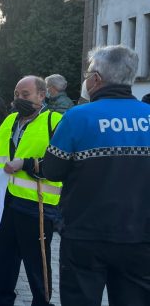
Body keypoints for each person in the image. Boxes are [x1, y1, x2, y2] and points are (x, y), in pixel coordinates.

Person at [42, 46, 150, 305]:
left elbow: (52, 171)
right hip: (141, 237)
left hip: (85, 236)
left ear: (97, 79)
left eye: (88, 73)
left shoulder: (77, 117)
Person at [0, 76, 62, 306]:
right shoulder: (9, 120)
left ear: (42, 95)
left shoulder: (55, 121)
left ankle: (42, 302)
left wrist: (27, 164)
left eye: (25, 94)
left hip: (37, 204)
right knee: (4, 257)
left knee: (37, 261)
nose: (19, 99)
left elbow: (58, 163)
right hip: (6, 201)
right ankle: (1, 300)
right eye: (16, 94)